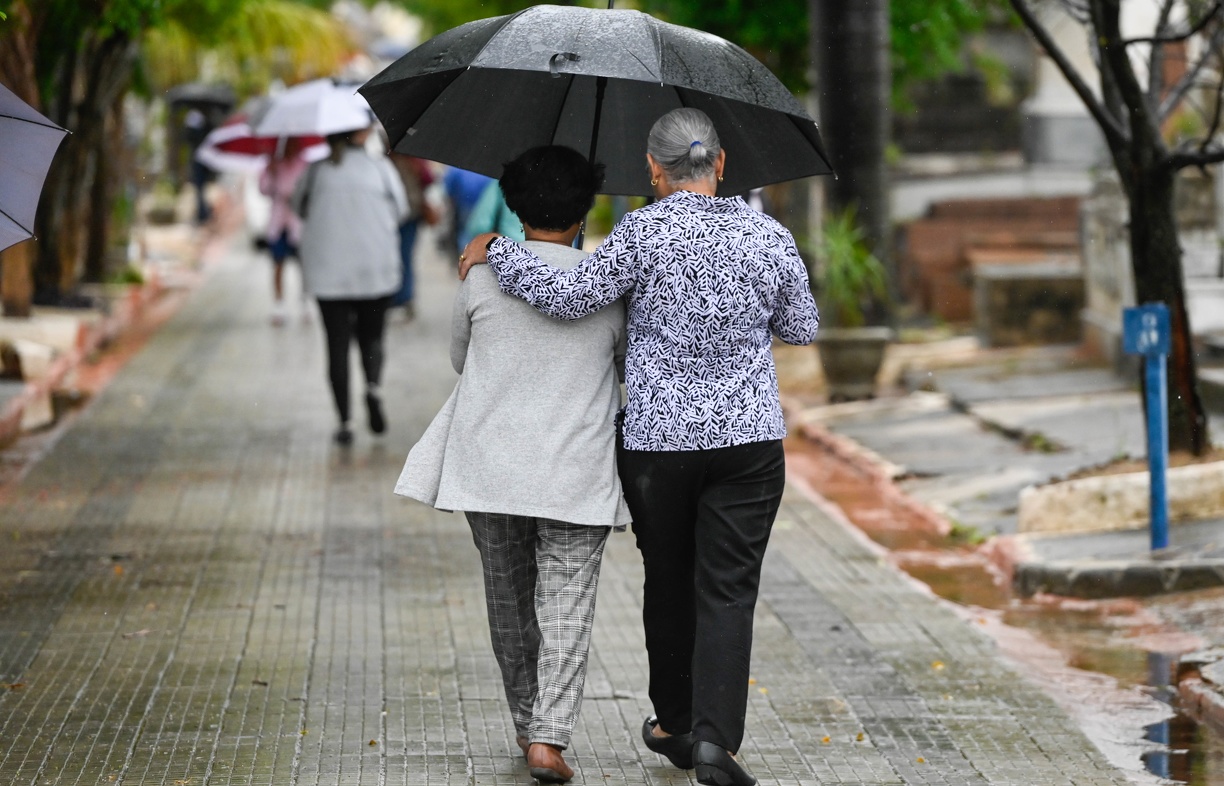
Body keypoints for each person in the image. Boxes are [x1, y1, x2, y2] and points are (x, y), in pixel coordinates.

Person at [459, 108, 819, 786]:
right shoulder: (768, 233)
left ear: (654, 172)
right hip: (748, 442)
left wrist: (499, 251)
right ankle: (715, 742)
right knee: (729, 588)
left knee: (671, 576)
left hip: (660, 445)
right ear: (719, 165)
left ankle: (674, 720)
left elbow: (571, 297)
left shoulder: (642, 230)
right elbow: (801, 325)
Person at [396, 145, 626, 784]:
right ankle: (549, 738)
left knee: (508, 598)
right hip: (576, 470)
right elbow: (624, 366)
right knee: (567, 601)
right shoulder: (610, 287)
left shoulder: (482, 274)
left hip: (490, 464)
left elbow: (460, 358)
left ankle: (528, 722)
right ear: (584, 210)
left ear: (515, 205)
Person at [292, 122, 408, 445]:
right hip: (375, 269)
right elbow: (401, 211)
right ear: (360, 134)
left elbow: (296, 207)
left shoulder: (316, 172)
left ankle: (344, 423)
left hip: (329, 275)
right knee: (372, 336)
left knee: (337, 345)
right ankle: (372, 387)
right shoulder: (380, 168)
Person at [259, 138, 310, 325]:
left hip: (296, 221)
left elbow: (307, 191)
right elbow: (263, 189)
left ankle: (304, 302)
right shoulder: (273, 164)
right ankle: (279, 305)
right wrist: (271, 173)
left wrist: (295, 196)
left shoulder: (304, 163)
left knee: (302, 264)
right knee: (278, 263)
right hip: (279, 221)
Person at [388, 153, 438, 321]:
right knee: (405, 256)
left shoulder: (386, 160)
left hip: (402, 216)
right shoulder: (413, 159)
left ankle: (401, 298)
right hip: (409, 214)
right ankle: (404, 299)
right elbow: (429, 179)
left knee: (401, 256)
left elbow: (429, 178)